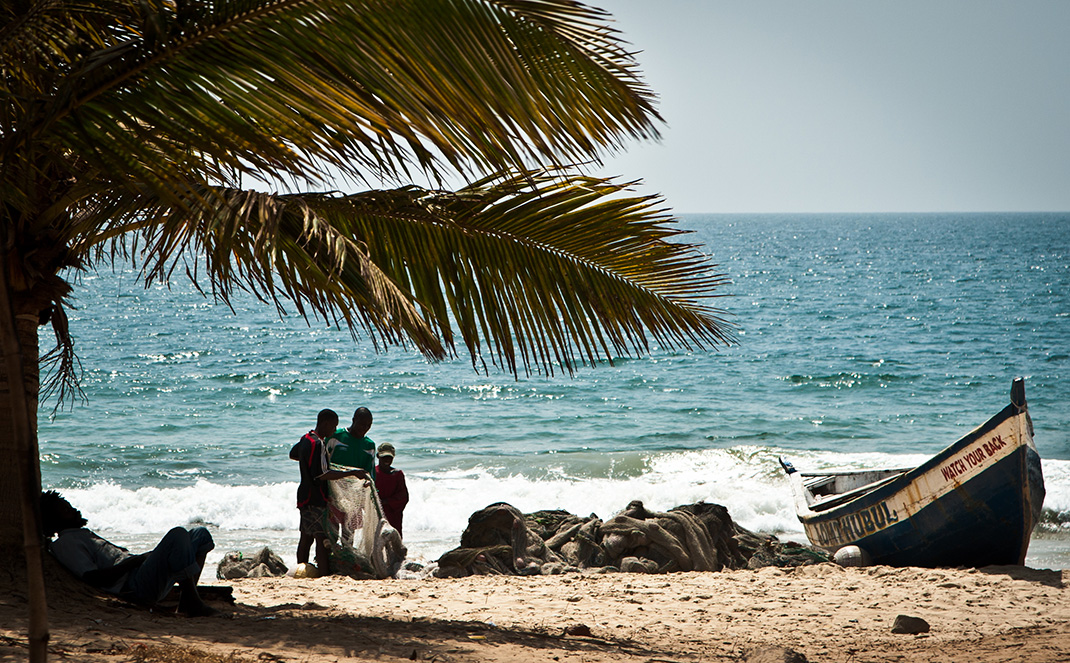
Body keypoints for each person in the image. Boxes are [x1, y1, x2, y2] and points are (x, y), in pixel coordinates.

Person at [39, 490, 217, 616]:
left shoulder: (79, 534)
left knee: (200, 534)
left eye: (69, 505)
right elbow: (93, 578)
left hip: (139, 573)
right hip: (134, 585)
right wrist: (137, 561)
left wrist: (140, 560)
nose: (72, 509)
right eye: (65, 510)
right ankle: (192, 602)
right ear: (54, 520)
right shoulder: (65, 543)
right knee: (177, 534)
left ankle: (188, 598)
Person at [289, 408, 367, 575]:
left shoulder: (306, 439)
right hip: (316, 498)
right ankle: (323, 575)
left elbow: (293, 454)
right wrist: (351, 473)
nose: (334, 430)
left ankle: (300, 571)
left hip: (303, 496)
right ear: (325, 423)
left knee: (305, 538)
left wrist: (309, 463)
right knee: (322, 540)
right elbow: (323, 474)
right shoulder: (319, 444)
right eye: (333, 426)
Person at [328, 407, 377, 479]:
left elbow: (370, 474)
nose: (365, 428)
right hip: (333, 483)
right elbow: (321, 462)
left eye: (368, 425)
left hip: (355, 487)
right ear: (354, 420)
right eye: (362, 424)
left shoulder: (369, 446)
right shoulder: (335, 437)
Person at [374, 442, 409, 537]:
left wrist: (386, 501)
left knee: (393, 542)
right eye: (384, 457)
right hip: (375, 515)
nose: (387, 460)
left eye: (389, 457)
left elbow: (403, 497)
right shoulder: (372, 472)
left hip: (393, 515)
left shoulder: (398, 474)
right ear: (378, 456)